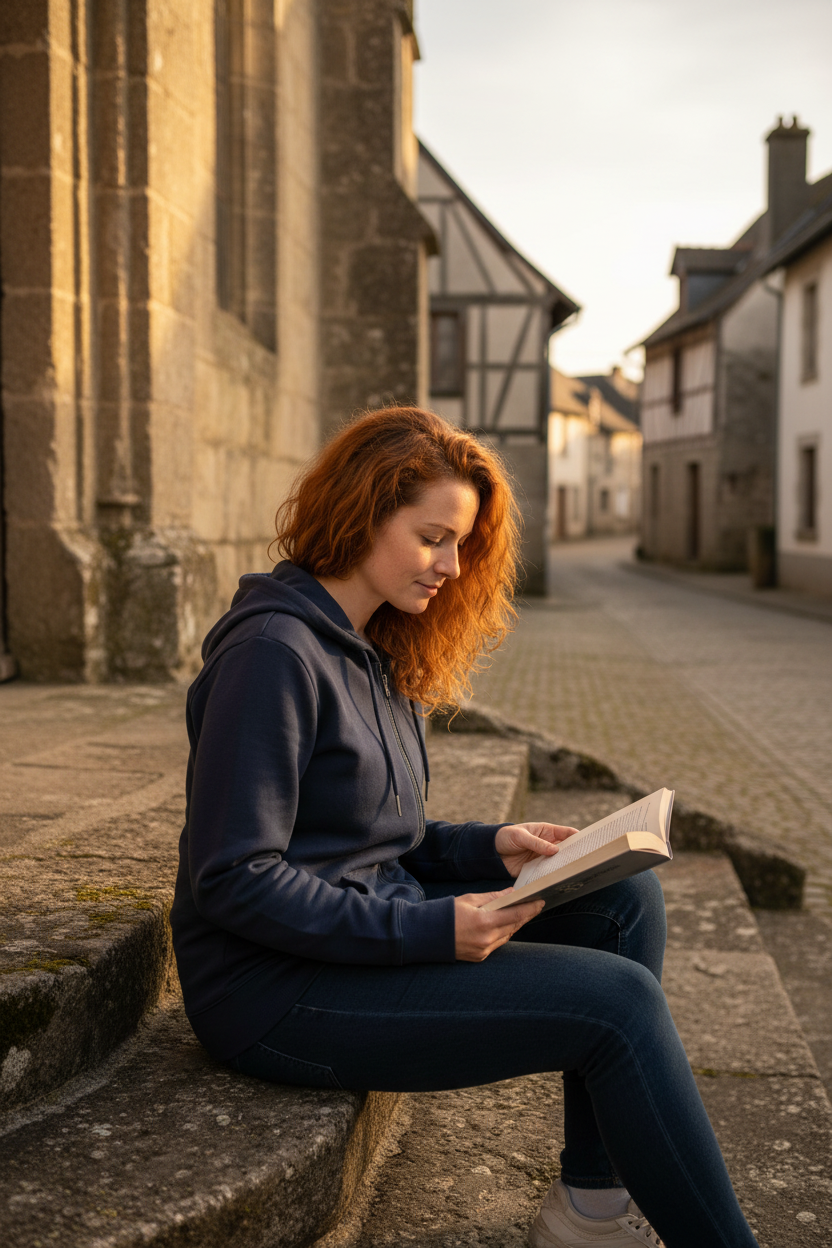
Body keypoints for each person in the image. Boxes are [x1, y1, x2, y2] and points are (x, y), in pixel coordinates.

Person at [171, 406, 759, 1248]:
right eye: (432, 537)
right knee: (619, 1006)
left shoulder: (371, 641)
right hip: (271, 990)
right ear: (359, 514)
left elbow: (365, 828)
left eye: (460, 543)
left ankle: (589, 1209)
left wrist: (490, 845)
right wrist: (429, 929)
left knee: (624, 899)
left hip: (353, 921)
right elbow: (233, 877)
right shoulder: (274, 654)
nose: (450, 566)